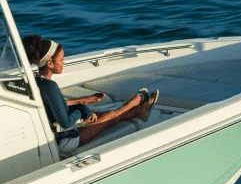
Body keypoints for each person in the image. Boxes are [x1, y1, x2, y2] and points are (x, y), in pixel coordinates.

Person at [23, 34, 157, 157]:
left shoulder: (37, 81)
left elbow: (54, 106)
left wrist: (83, 101)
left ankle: (138, 111)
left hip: (57, 135)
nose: (64, 62)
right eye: (61, 59)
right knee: (108, 116)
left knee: (100, 114)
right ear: (50, 63)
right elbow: (65, 123)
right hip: (65, 141)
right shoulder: (50, 87)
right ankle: (132, 106)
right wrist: (81, 112)